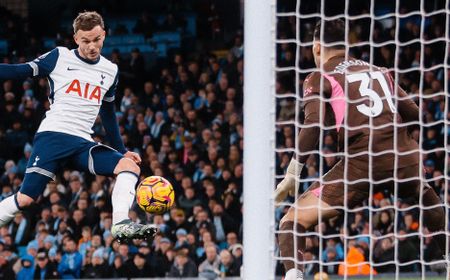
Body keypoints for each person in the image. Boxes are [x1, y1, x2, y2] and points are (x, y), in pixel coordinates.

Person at [274, 19, 445, 280]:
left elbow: (314, 124)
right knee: (429, 200)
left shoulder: (321, 76)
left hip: (360, 163)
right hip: (402, 156)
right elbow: (412, 112)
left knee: (292, 222)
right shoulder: (379, 70)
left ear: (317, 47)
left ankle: (293, 275)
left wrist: (293, 174)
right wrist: (402, 143)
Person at [0, 11, 157, 241]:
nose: (92, 46)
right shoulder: (59, 57)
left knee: (129, 167)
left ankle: (121, 223)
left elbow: (108, 113)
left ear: (104, 34)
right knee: (25, 199)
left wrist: (122, 150)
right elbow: (19, 70)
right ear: (76, 39)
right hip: (53, 136)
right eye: (85, 41)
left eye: (96, 39)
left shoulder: (110, 70)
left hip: (83, 142)